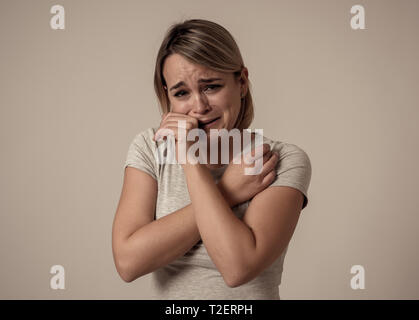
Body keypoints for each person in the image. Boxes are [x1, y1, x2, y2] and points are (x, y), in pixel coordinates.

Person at [112, 19, 312, 300]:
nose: (199, 107)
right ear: (167, 97)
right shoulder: (150, 148)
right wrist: (226, 191)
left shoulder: (280, 159)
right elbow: (128, 263)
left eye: (211, 87)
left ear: (241, 82)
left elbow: (238, 267)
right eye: (182, 93)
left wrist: (190, 164)